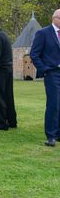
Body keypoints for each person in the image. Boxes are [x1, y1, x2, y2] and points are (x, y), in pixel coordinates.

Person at [29, 9, 60, 147]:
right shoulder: (43, 33)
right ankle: (51, 135)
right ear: (55, 18)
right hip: (52, 73)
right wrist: (44, 69)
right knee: (54, 104)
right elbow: (34, 54)